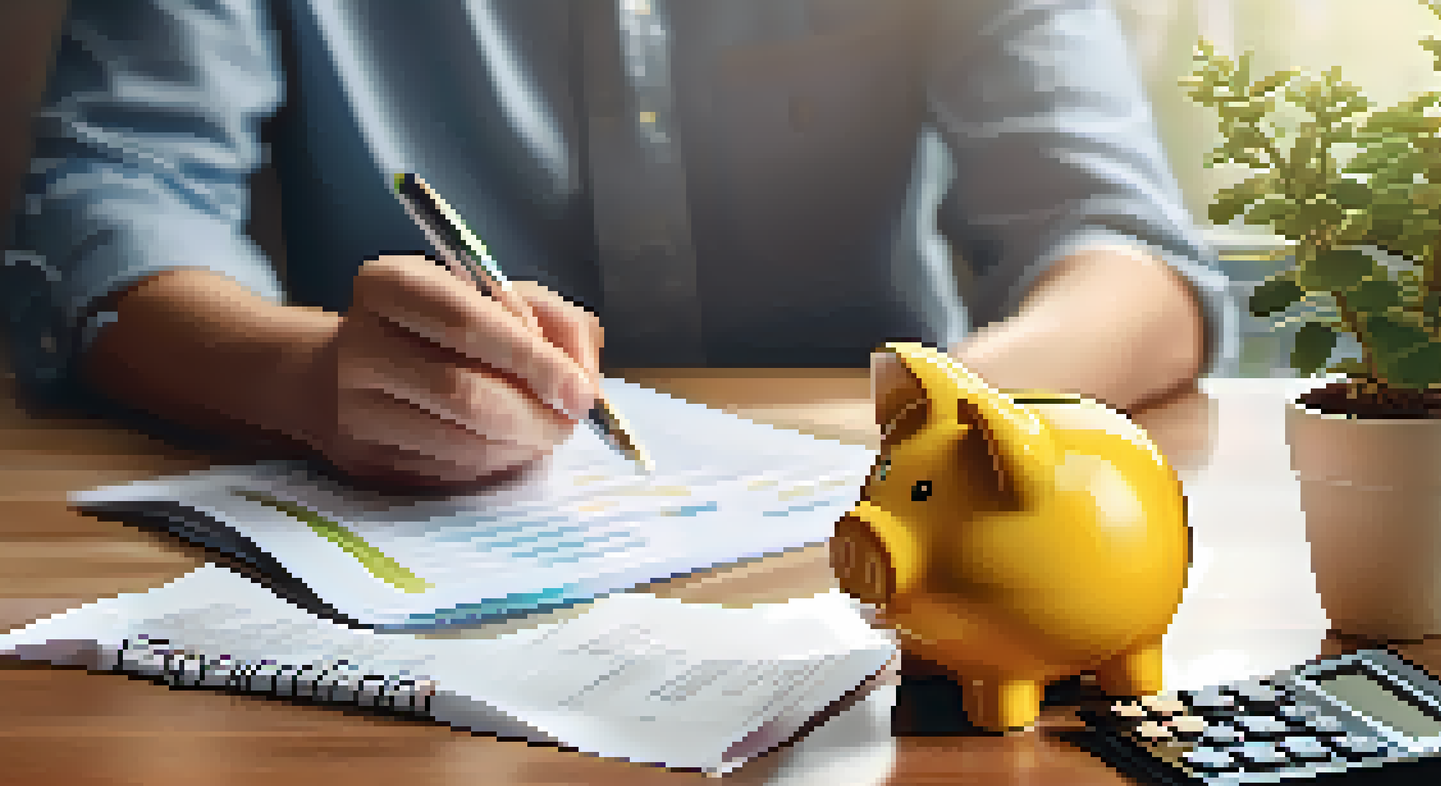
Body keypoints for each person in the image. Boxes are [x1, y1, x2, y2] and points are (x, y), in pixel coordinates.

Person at [3, 0, 1236, 490]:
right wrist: (300, 374)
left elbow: (1128, 252)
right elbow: (107, 204)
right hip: (406, 538)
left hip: (870, 537)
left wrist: (947, 412)